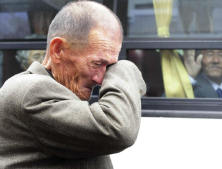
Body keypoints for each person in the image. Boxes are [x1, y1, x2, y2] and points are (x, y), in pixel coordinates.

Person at [0, 1, 146, 169]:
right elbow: (118, 129)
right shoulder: (31, 92)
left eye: (110, 66)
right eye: (97, 63)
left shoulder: (58, 91)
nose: (101, 80)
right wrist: (124, 66)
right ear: (58, 50)